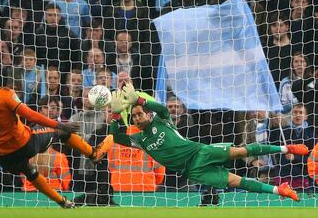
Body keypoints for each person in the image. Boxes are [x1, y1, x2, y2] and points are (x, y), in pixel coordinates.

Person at [0, 67, 112, 208]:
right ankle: (93, 154)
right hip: (26, 143)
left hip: (5, 158)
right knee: (63, 134)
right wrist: (60, 124)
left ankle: (62, 202)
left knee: (29, 171)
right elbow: (32, 115)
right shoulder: (4, 94)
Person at [109, 83, 310, 201]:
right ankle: (279, 190)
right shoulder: (139, 139)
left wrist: (141, 100)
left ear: (147, 114)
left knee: (240, 152)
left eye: (139, 115)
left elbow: (161, 108)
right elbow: (117, 137)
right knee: (235, 181)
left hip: (200, 152)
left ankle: (286, 147)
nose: (136, 118)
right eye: (133, 117)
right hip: (193, 171)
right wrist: (116, 115)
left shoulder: (161, 120)